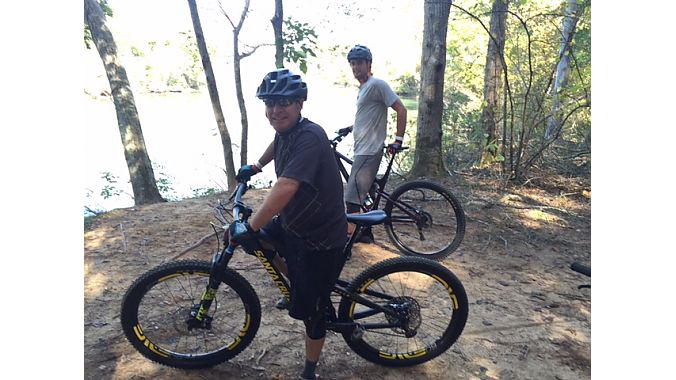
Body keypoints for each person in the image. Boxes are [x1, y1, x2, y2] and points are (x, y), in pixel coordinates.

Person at [231, 68, 348, 380]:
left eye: (283, 102)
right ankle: (299, 283)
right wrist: (256, 165)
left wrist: (251, 226)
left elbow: (285, 187)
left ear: (300, 103)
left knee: (313, 313)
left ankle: (310, 371)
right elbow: (276, 142)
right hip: (295, 223)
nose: (274, 110)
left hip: (320, 238)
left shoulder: (310, 136)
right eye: (269, 103)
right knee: (262, 243)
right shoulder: (289, 130)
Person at [345, 44, 408, 243]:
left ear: (369, 64)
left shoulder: (377, 84)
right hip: (362, 148)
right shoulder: (364, 88)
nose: (356, 68)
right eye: (352, 64)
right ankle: (365, 233)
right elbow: (368, 115)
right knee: (366, 194)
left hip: (369, 151)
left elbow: (401, 109)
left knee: (351, 197)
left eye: (359, 63)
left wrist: (398, 139)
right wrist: (350, 128)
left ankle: (349, 238)